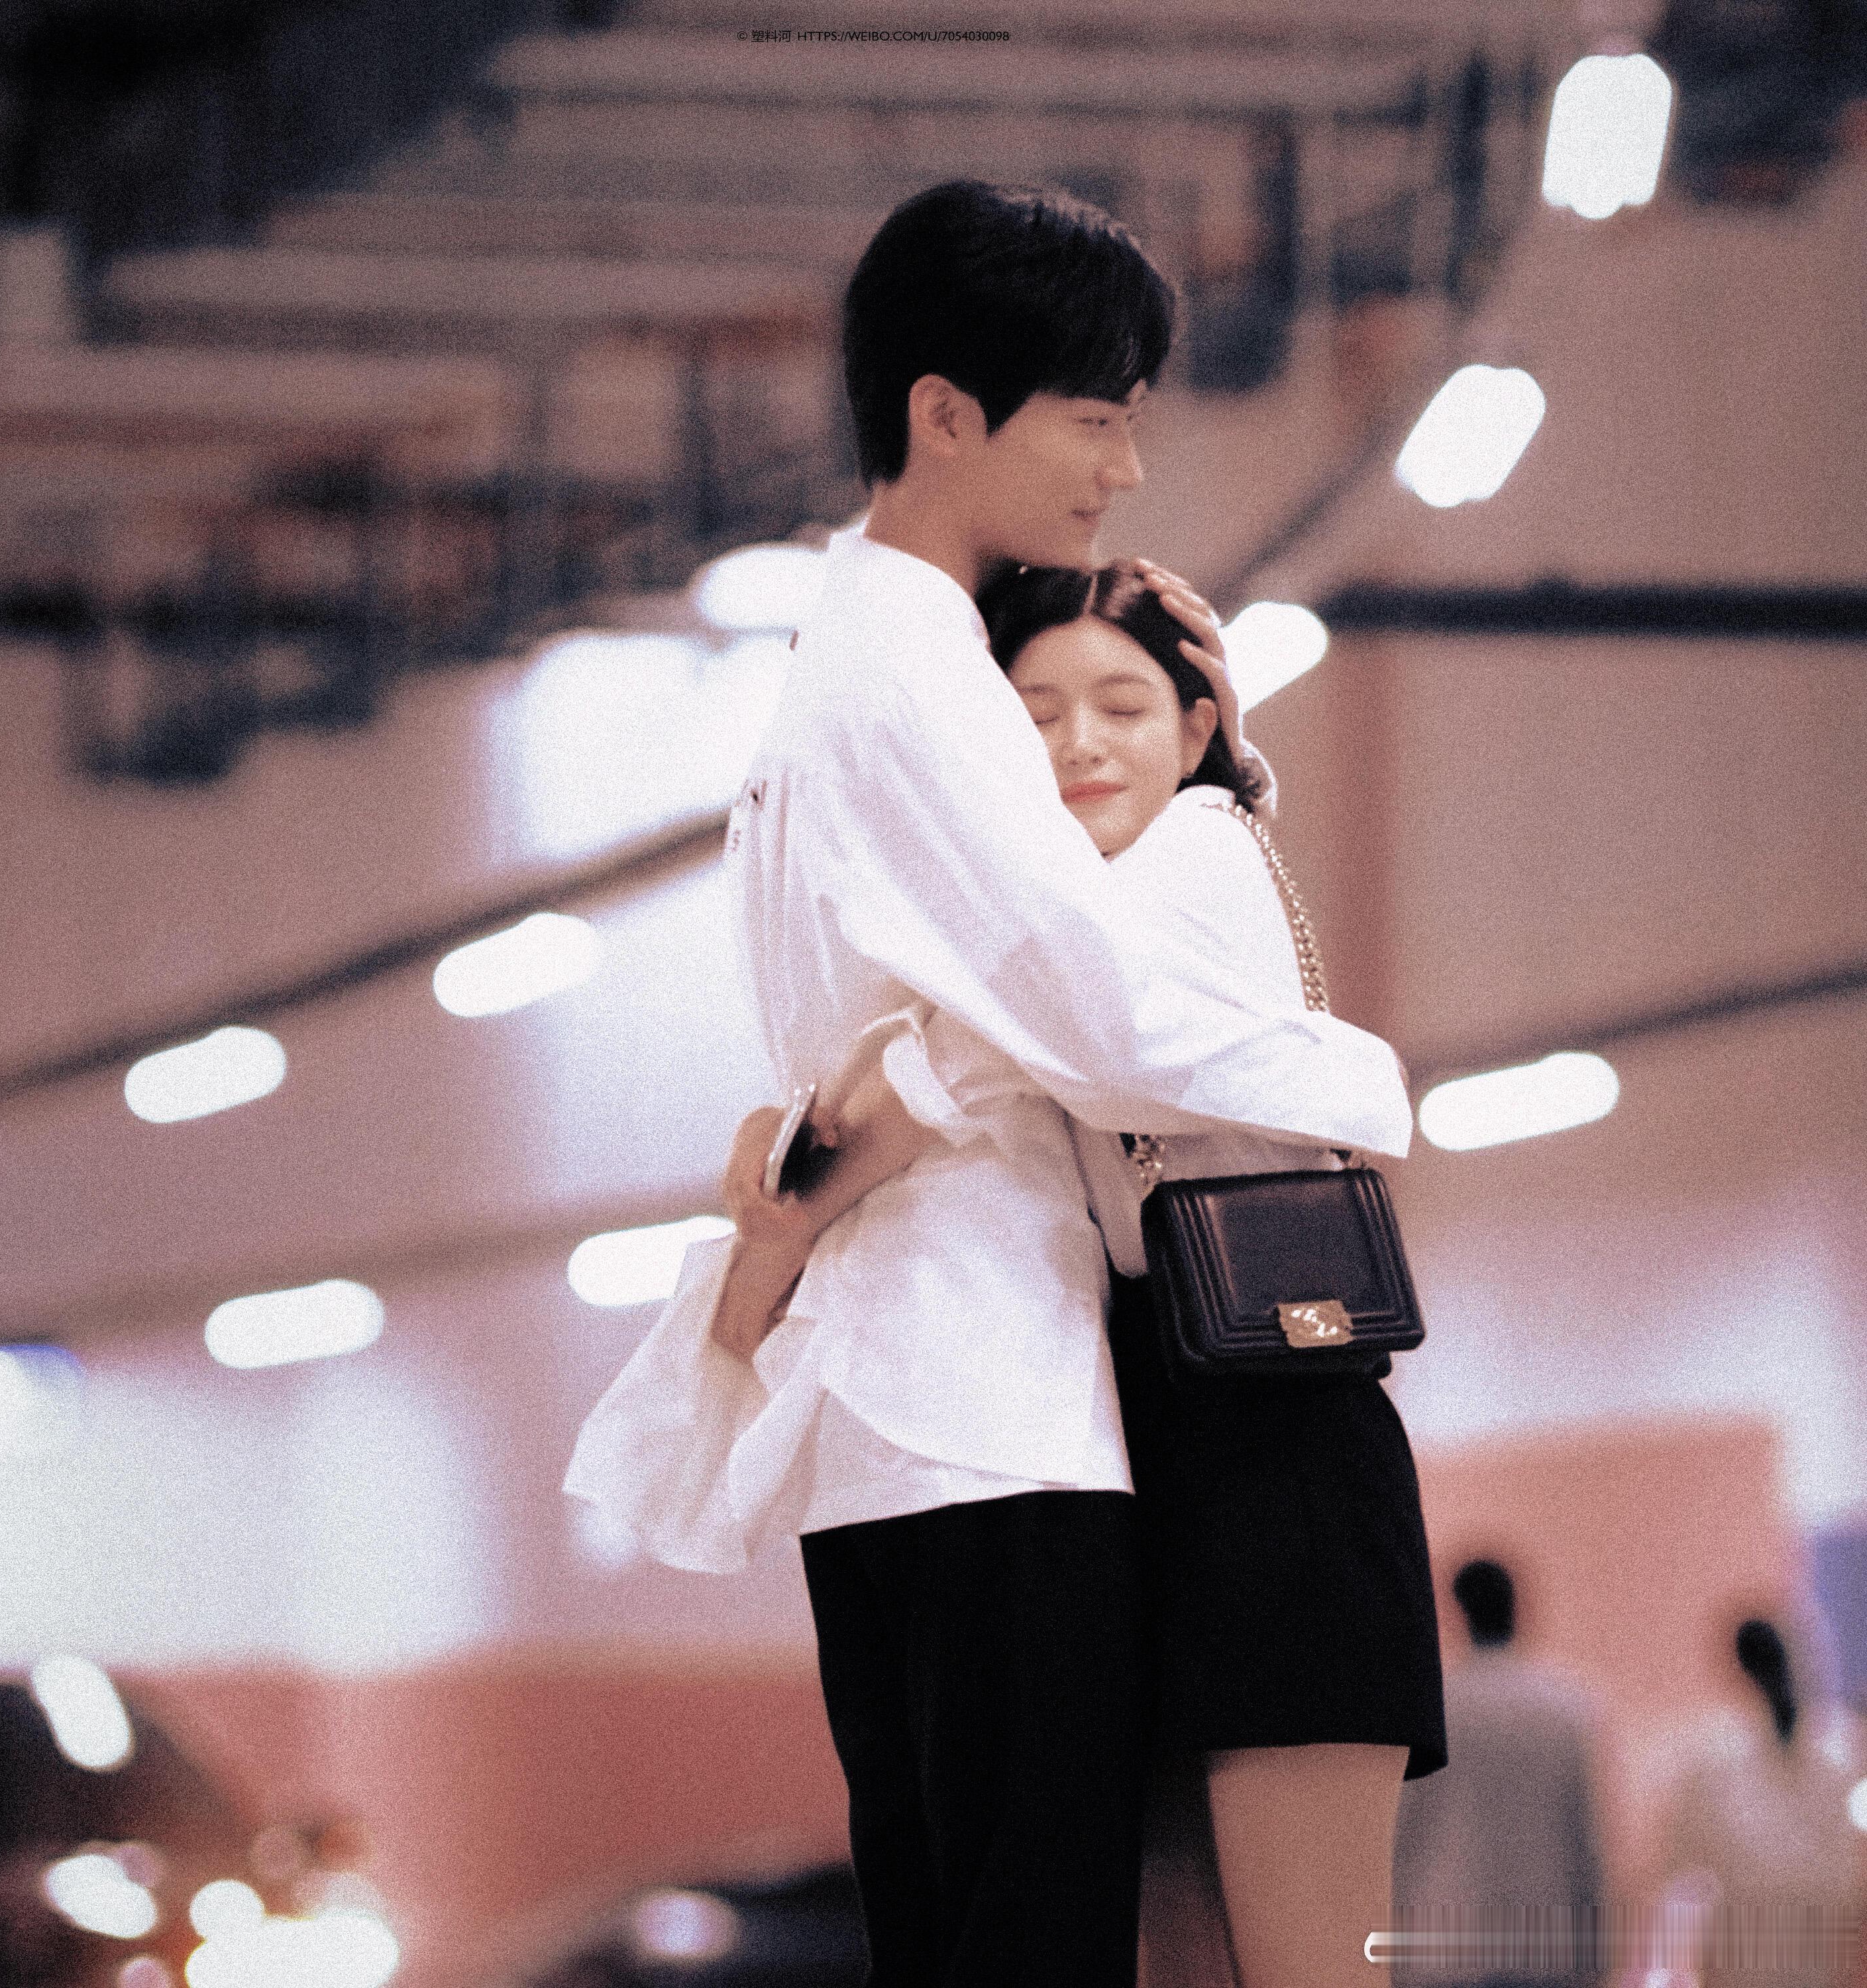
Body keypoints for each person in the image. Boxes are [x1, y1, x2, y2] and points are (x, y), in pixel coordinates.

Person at [570, 178, 1413, 1988]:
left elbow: (921, 1054)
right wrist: (1356, 1076)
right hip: (987, 1409)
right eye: (1094, 417)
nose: (1124, 466)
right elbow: (1091, 1013)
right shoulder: (918, 678)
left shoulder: (837, 666)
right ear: (946, 413)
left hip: (900, 1424)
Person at [711, 559, 1442, 1988]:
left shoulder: (1189, 858)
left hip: (1279, 1463)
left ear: (1196, 727)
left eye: (1122, 705)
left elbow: (941, 1075)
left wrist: (783, 1207)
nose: (1080, 745)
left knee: (1307, 1968)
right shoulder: (1063, 915)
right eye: (1034, 716)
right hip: (1152, 1451)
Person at [1391, 1558, 1603, 1988]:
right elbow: (1583, 1836)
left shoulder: (1436, 1707)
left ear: (1457, 1611)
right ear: (1517, 1607)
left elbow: (1404, 1834)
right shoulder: (1566, 1707)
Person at [1651, 1616, 1866, 1988]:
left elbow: (1680, 1865)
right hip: (1815, 1938)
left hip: (1748, 1942)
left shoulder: (1710, 1752)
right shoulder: (1843, 1746)